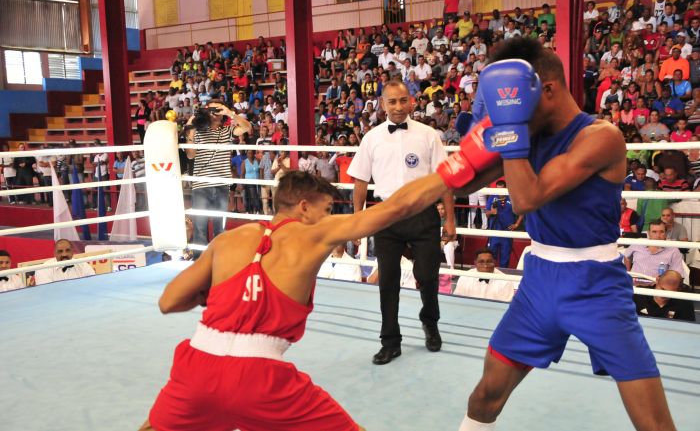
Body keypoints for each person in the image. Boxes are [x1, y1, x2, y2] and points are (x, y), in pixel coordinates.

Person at [140, 114, 505, 431]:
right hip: (261, 378)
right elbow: (397, 206)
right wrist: (462, 160)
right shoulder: (313, 234)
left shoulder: (227, 241)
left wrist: (218, 293)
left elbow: (169, 301)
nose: (330, 217)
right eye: (327, 208)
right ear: (303, 207)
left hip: (196, 366)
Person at [458, 39, 677, 431]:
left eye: (512, 98)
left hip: (597, 286)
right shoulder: (530, 132)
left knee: (653, 424)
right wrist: (473, 144)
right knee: (485, 396)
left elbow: (526, 199)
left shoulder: (601, 136)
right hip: (538, 282)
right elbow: (461, 187)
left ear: (548, 89)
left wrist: (509, 131)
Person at [348, 80, 457, 365]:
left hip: (423, 213)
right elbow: (360, 181)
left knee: (428, 274)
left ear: (411, 102)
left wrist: (451, 220)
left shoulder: (428, 134)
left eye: (402, 100)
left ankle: (430, 322)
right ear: (383, 104)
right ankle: (390, 341)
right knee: (388, 280)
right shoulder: (371, 137)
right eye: (392, 102)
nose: (398, 107)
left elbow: (444, 178)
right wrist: (357, 221)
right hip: (386, 215)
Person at [184, 102, 251, 247]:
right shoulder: (198, 132)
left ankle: (217, 261)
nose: (215, 112)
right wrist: (191, 128)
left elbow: (247, 127)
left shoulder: (227, 131)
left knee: (219, 229)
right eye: (211, 109)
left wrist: (230, 113)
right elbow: (190, 155)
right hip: (201, 185)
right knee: (200, 228)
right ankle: (200, 262)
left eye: (217, 108)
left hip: (221, 185)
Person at [624, 219, 687, 285]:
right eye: (654, 232)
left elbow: (677, 275)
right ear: (649, 233)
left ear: (666, 233)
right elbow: (626, 256)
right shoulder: (639, 243)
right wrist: (627, 273)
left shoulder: (673, 250)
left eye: (661, 232)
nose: (658, 236)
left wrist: (663, 279)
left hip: (657, 287)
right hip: (634, 285)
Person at [484, 180, 522, 268]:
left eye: (501, 189)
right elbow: (486, 213)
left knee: (505, 257)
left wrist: (517, 224)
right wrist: (491, 212)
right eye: (497, 189)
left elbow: (522, 211)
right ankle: (489, 276)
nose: (499, 192)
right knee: (491, 256)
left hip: (507, 232)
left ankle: (502, 278)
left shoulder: (512, 197)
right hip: (494, 231)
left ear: (505, 188)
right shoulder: (492, 197)